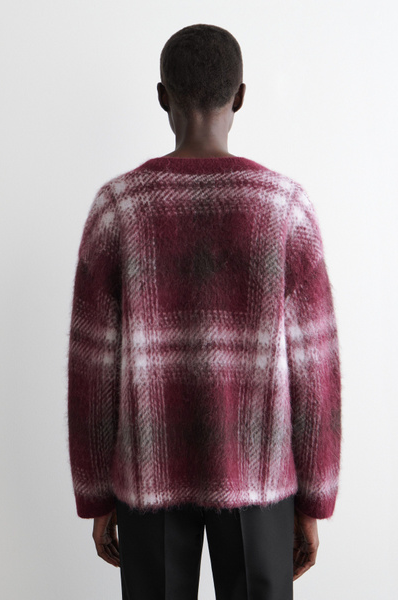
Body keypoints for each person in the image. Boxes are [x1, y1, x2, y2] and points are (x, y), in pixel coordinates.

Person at [67, 23, 342, 600]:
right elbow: (316, 368)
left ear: (162, 96)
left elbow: (93, 366)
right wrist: (315, 500)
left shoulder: (118, 209)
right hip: (258, 477)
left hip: (148, 476)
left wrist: (95, 494)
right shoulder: (283, 208)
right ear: (239, 96)